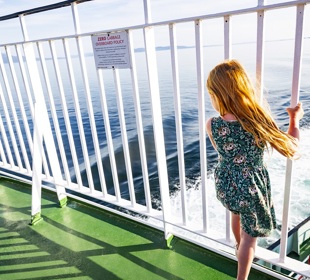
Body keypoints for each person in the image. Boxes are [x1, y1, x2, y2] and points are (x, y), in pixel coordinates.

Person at [205, 59, 304, 280]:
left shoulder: (212, 123)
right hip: (251, 187)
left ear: (218, 95)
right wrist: (294, 120)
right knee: (251, 239)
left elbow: (222, 151)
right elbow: (291, 147)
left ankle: (238, 247)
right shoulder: (257, 120)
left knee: (236, 214)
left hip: (226, 184)